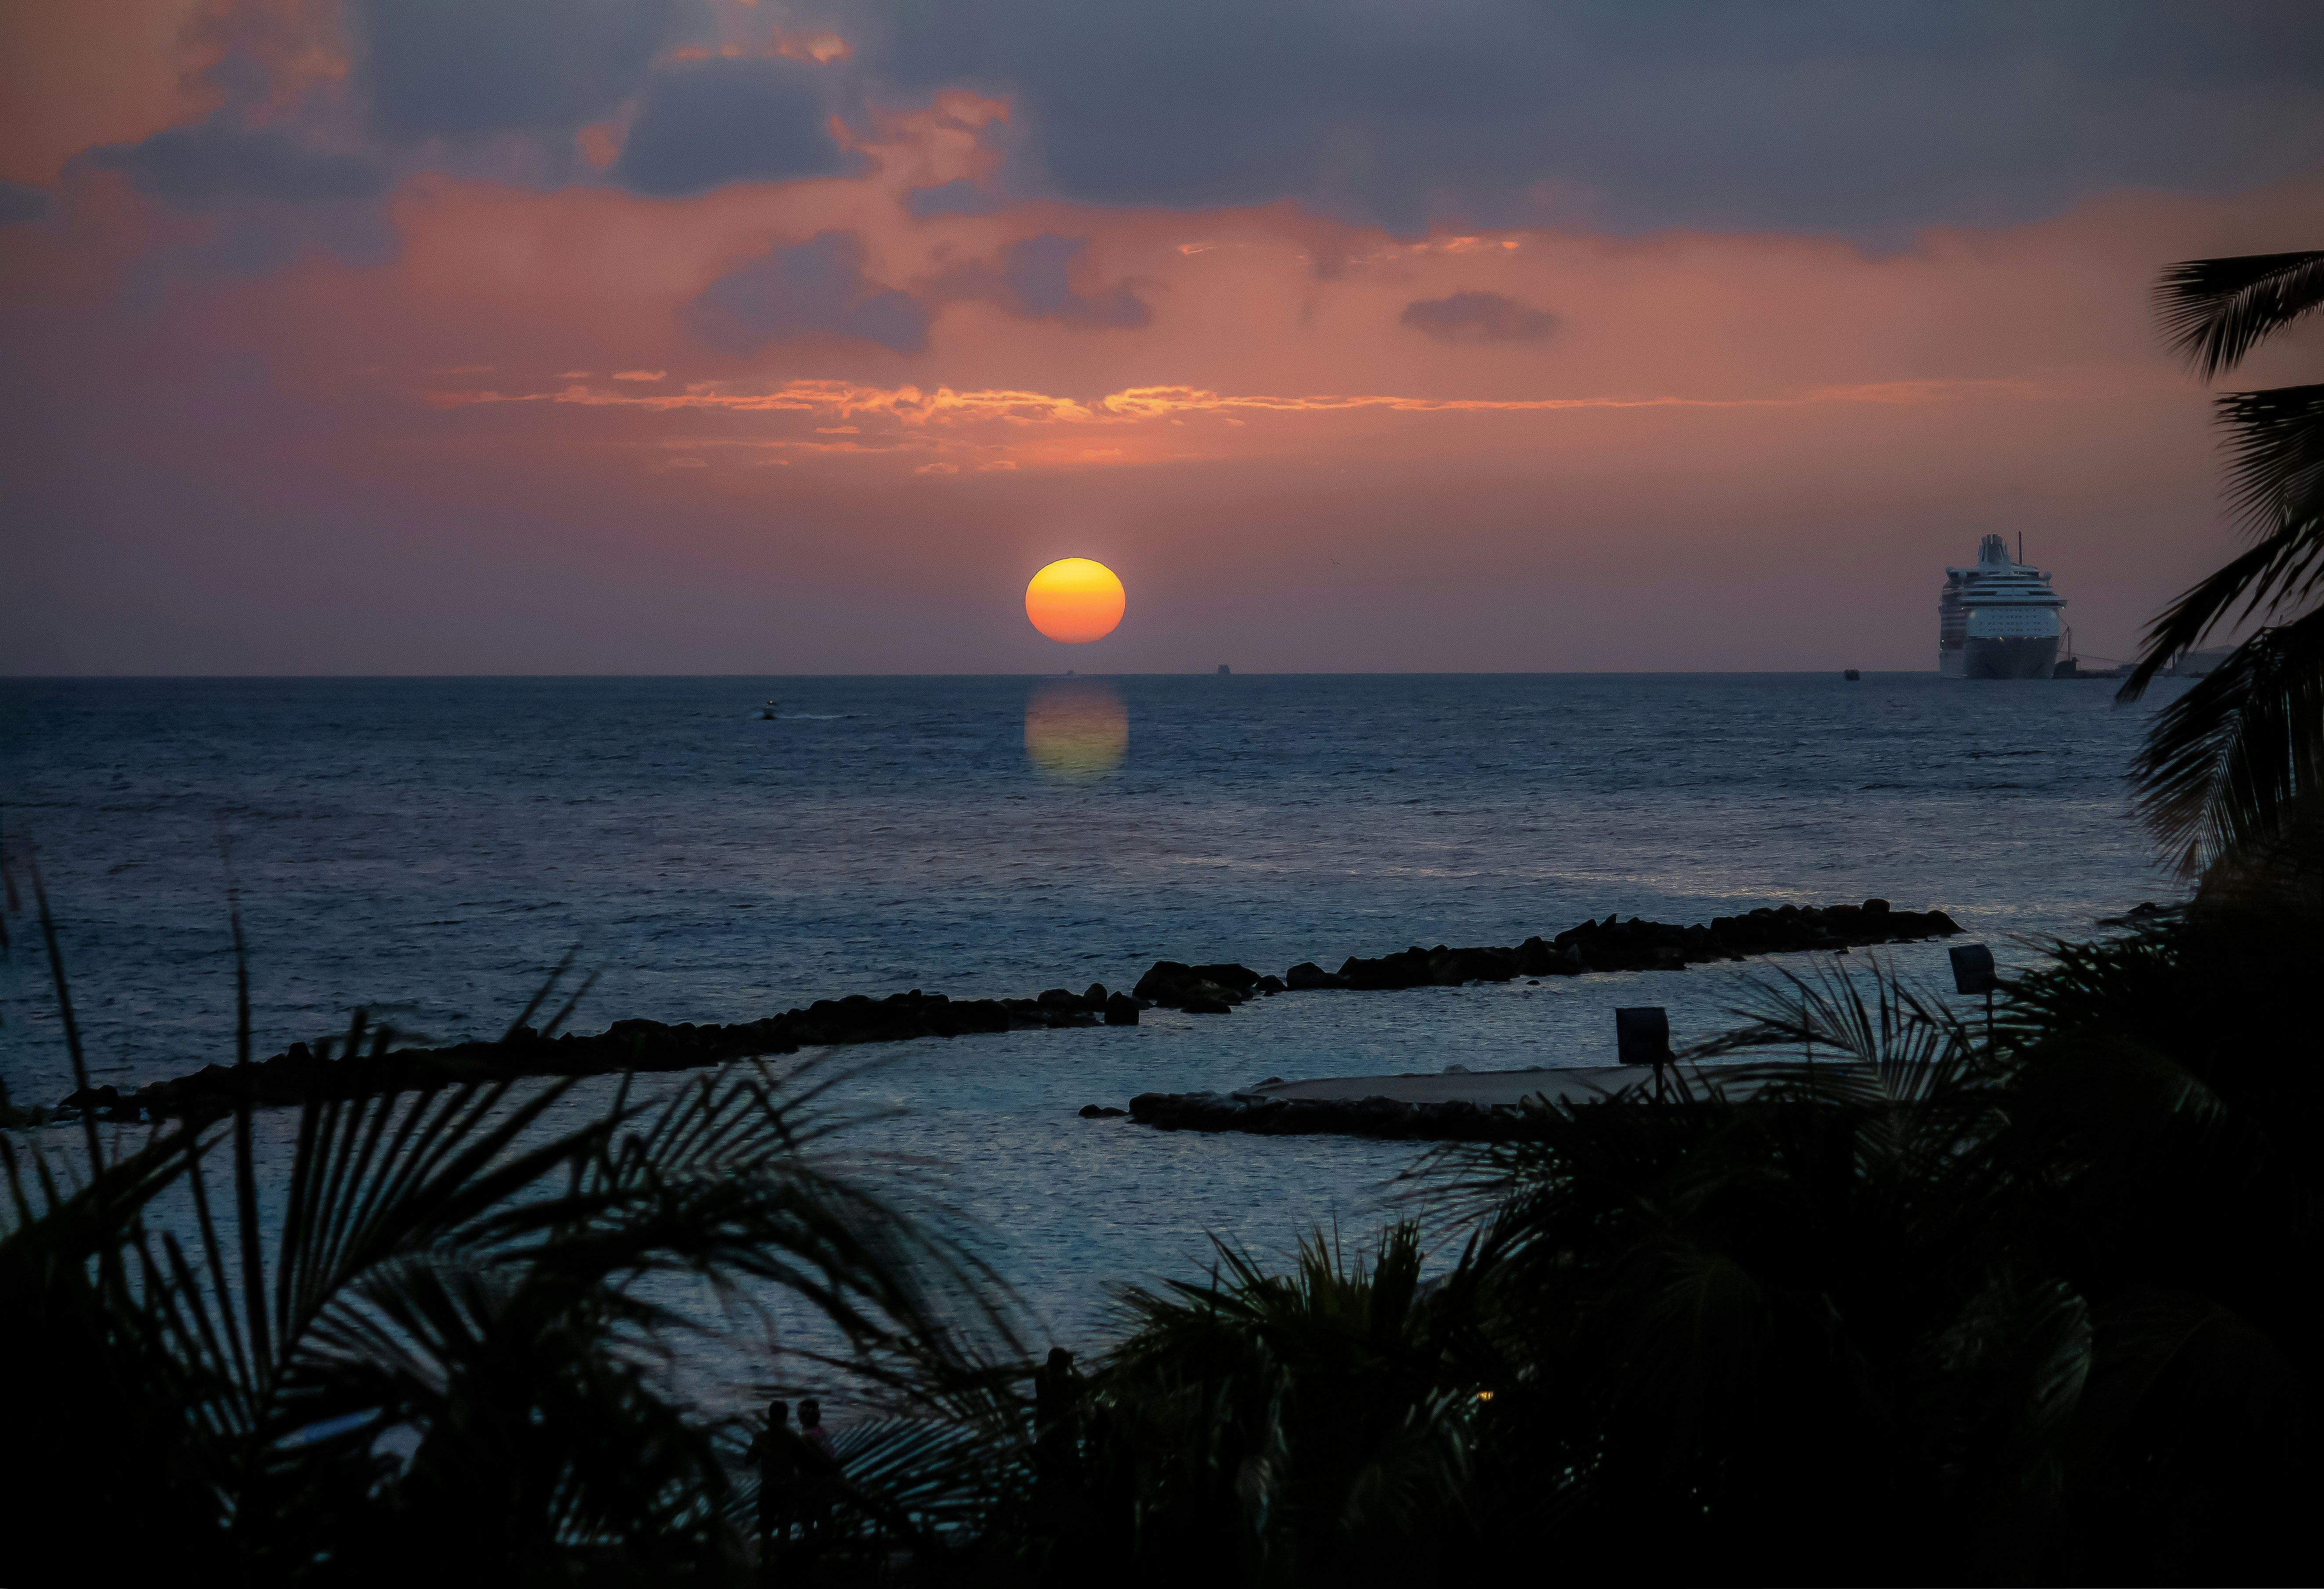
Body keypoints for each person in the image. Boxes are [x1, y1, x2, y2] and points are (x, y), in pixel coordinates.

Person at [745, 1399, 796, 1576]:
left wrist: (760, 1450)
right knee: (785, 1531)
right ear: (786, 1417)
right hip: (787, 1489)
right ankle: (782, 1569)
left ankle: (766, 1567)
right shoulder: (792, 1437)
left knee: (766, 1531)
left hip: (769, 1490)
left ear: (770, 1416)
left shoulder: (761, 1437)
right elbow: (800, 1463)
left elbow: (749, 1461)